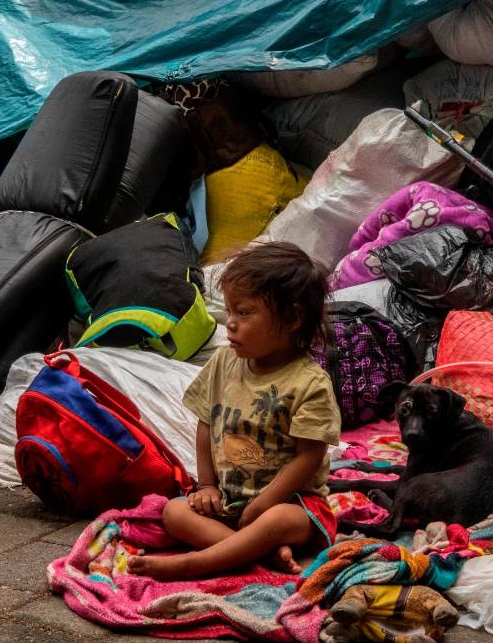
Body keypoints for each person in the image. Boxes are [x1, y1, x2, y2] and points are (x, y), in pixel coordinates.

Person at [129, 241, 340, 580]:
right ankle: (257, 555)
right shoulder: (225, 362)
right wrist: (207, 487)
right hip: (229, 502)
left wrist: (265, 503)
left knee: (274, 522)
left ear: (293, 318)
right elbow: (205, 424)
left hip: (293, 505)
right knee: (174, 512)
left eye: (244, 313)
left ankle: (193, 564)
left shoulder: (309, 384)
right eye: (229, 311)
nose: (230, 323)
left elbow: (308, 457)